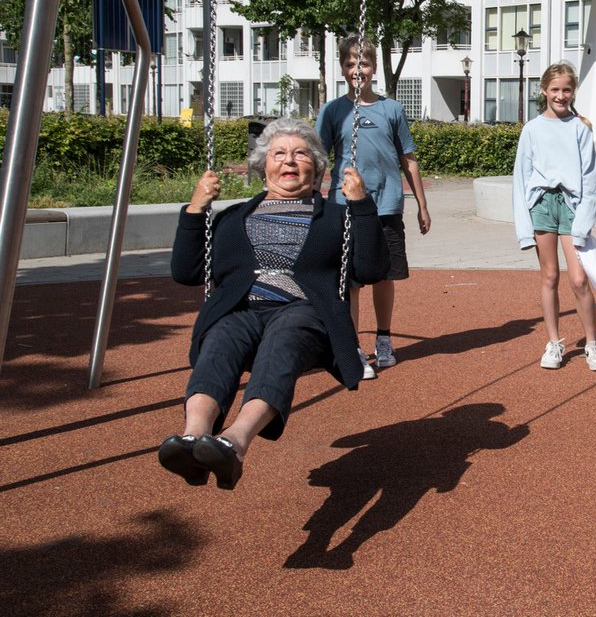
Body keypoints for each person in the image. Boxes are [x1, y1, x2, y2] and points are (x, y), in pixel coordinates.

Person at [159, 118, 388, 491]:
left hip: (304, 311)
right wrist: (197, 209)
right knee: (220, 338)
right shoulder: (232, 218)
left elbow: (372, 269)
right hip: (243, 309)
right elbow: (187, 272)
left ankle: (233, 443)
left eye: (300, 154)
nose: (289, 161)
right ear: (263, 165)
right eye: (279, 153)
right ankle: (193, 438)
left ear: (316, 167)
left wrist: (361, 206)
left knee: (284, 338)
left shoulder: (337, 218)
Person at [316, 35, 431, 378]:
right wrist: (312, 202)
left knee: (384, 275)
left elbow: (408, 159)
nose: (357, 70)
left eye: (363, 63)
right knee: (350, 280)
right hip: (345, 206)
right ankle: (353, 347)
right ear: (342, 69)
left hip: (386, 205)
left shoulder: (391, 109)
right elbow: (318, 159)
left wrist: (422, 205)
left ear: (374, 68)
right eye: (350, 64)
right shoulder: (332, 111)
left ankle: (383, 338)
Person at [511, 61, 596, 372]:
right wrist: (524, 228)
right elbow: (521, 177)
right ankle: (554, 342)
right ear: (544, 90)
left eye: (566, 90)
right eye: (555, 89)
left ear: (573, 91)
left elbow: (590, 179)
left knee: (579, 279)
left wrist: (583, 223)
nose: (560, 95)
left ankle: (592, 343)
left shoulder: (580, 128)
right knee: (549, 276)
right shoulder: (532, 129)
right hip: (541, 204)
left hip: (571, 205)